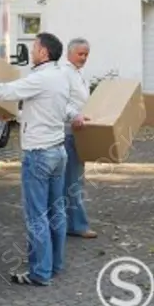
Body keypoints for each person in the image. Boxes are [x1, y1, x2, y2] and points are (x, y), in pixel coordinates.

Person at [0, 32, 87, 286]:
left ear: (44, 53)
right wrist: (17, 117)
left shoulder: (39, 78)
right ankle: (54, 265)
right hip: (58, 152)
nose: (31, 51)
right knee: (55, 210)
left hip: (39, 155)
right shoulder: (59, 75)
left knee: (37, 216)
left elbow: (1, 91)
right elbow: (51, 108)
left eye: (34, 47)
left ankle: (40, 273)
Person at [62, 38, 96, 238]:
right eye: (80, 54)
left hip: (79, 131)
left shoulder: (79, 73)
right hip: (68, 132)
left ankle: (70, 223)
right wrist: (74, 115)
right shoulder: (64, 74)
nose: (83, 58)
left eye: (86, 55)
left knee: (75, 180)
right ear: (70, 53)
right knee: (73, 181)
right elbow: (60, 100)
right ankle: (77, 225)